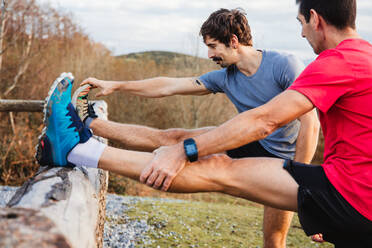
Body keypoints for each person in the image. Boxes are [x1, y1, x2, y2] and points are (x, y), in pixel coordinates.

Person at [37, 1, 372, 246]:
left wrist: (307, 187)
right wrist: (117, 85)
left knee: (268, 234)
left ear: (315, 18)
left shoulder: (305, 64)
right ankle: (88, 129)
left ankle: (77, 149)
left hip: (314, 173)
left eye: (301, 22)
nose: (300, 31)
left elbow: (272, 121)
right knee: (186, 144)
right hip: (343, 185)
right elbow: (169, 84)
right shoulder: (362, 57)